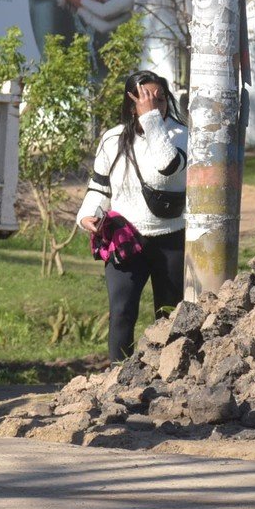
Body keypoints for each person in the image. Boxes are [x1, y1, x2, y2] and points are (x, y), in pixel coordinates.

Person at [75, 70, 188, 361]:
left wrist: (150, 119)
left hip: (172, 240)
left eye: (160, 99)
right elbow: (99, 188)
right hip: (126, 240)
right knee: (122, 312)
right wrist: (88, 215)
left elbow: (167, 166)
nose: (155, 105)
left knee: (170, 314)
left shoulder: (182, 135)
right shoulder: (112, 140)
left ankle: (170, 377)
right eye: (146, 99)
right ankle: (117, 379)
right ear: (130, 103)